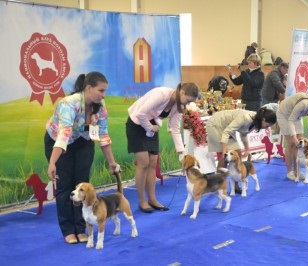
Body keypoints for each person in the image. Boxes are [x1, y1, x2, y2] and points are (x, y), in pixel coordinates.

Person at [44, 71, 119, 244]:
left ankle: (81, 227)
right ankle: (68, 230)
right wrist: (52, 162)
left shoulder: (101, 106)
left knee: (82, 185)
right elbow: (64, 134)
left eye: (105, 91)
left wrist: (112, 162)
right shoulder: (69, 103)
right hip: (58, 141)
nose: (103, 95)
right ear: (88, 88)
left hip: (83, 142)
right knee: (65, 186)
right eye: (101, 90)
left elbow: (104, 135)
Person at [126, 83, 199, 213]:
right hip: (137, 123)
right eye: (188, 100)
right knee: (143, 163)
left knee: (153, 162)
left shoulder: (179, 106)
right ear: (182, 92)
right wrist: (150, 128)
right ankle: (142, 201)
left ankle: (152, 199)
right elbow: (140, 113)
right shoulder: (161, 94)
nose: (187, 104)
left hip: (153, 125)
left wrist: (181, 152)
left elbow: (175, 129)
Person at [206, 107, 277, 193]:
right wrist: (224, 151)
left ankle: (235, 185)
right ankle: (216, 184)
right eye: (267, 125)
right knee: (225, 157)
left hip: (226, 128)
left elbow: (244, 134)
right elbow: (226, 132)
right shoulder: (245, 118)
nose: (266, 128)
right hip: (216, 124)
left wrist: (247, 149)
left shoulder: (256, 121)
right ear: (264, 119)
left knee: (237, 154)